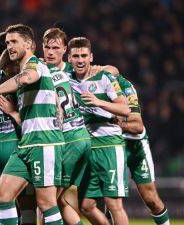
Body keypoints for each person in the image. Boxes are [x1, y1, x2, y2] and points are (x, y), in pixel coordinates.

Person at [0, 24, 64, 225]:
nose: (9, 46)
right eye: (7, 43)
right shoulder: (24, 68)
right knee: (3, 195)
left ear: (29, 44)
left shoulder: (36, 66)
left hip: (44, 143)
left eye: (14, 41)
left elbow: (26, 78)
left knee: (46, 203)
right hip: (25, 144)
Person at [67, 37, 130, 225]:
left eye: (84, 56)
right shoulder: (66, 79)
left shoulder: (104, 77)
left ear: (91, 57)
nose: (80, 60)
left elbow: (125, 109)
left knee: (113, 204)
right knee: (86, 206)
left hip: (109, 145)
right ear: (69, 58)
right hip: (86, 148)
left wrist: (98, 101)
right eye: (76, 56)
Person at [42, 28, 91, 225]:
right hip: (69, 141)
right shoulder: (41, 69)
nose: (50, 52)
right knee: (57, 201)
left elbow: (105, 71)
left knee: (47, 200)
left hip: (70, 139)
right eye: (47, 47)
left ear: (65, 50)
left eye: (55, 48)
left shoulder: (72, 70)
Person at [115, 75, 170, 225]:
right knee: (111, 200)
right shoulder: (91, 88)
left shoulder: (125, 87)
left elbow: (137, 127)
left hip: (135, 146)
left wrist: (114, 125)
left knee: (151, 199)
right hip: (112, 147)